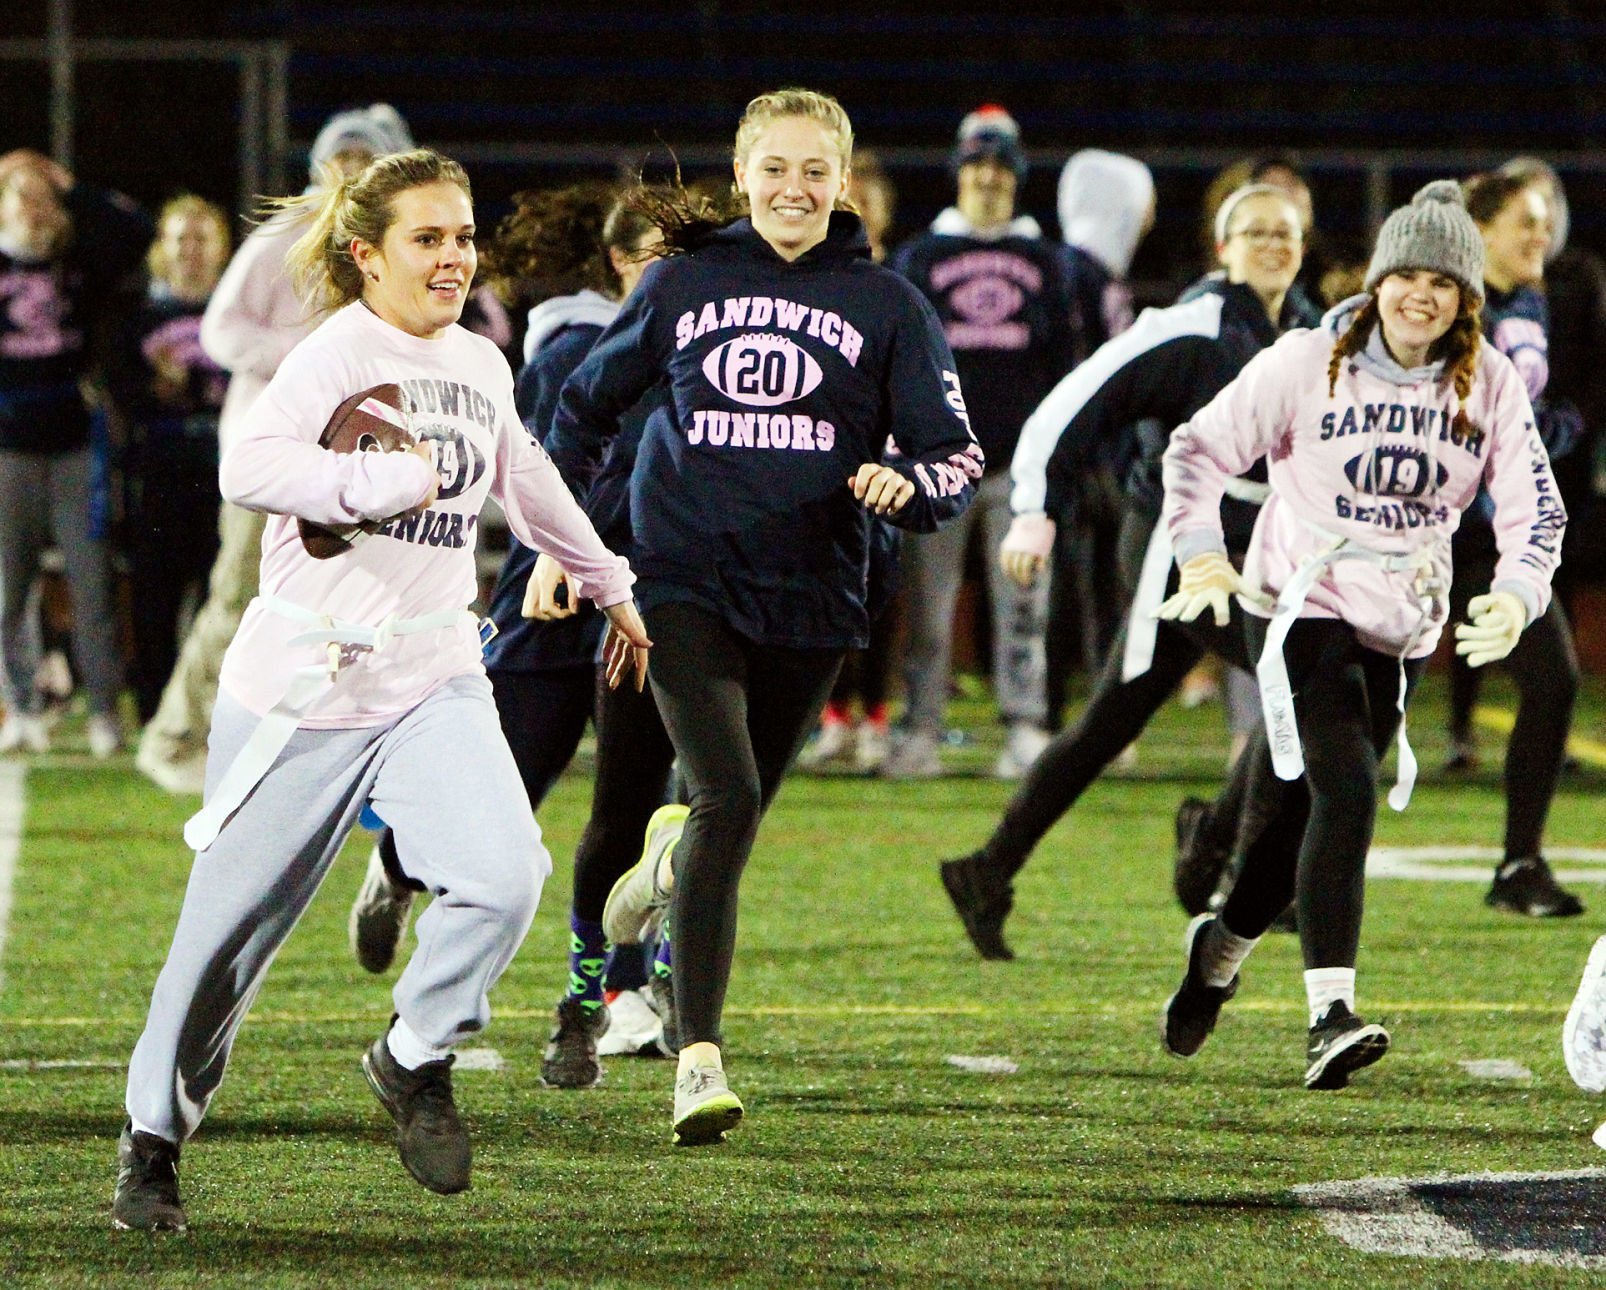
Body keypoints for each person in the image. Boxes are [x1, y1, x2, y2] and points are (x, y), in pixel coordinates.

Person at [110, 147, 650, 1231]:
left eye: (463, 236)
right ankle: (152, 1143)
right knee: (224, 942)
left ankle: (410, 1055)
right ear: (366, 255)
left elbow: (526, 478)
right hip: (302, 688)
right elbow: (245, 466)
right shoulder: (332, 352)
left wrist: (608, 582)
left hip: (432, 674)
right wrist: (373, 480)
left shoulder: (480, 363)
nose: (455, 256)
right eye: (428, 238)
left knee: (506, 876)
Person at [547, 88, 980, 1144]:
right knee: (729, 799)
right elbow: (580, 409)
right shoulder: (682, 282)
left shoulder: (889, 304)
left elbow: (956, 455)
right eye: (773, 169)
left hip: (817, 597)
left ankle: (667, 866)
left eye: (813, 171)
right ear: (740, 178)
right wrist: (570, 551)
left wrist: (906, 484)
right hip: (679, 582)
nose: (793, 189)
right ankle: (696, 1059)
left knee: (723, 819)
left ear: (843, 182)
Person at [1155, 181, 1563, 1090]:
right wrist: (1200, 556)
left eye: (1443, 281)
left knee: (1303, 814)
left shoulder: (1487, 379)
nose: (1422, 294)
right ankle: (1329, 1013)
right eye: (1406, 274)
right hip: (1302, 604)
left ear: (1466, 297)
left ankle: (1216, 956)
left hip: (1401, 626)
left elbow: (1539, 508)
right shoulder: (1307, 360)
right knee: (1345, 793)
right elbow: (1195, 449)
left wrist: (1519, 593)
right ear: (1377, 281)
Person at [347, 182, 680, 1084]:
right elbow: (545, 466)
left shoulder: (700, 344)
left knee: (628, 816)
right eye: (659, 253)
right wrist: (562, 554)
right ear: (617, 263)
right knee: (502, 802)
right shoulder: (574, 343)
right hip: (550, 606)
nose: (679, 272)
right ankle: (397, 864)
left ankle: (600, 1002)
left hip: (637, 611)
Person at [939, 183, 1317, 961]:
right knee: (1302, 681)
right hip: (1178, 551)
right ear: (1223, 247)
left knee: (1116, 716)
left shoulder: (1309, 331)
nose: (1272, 244)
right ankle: (1228, 859)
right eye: (1254, 232)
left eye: (1286, 233)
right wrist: (1037, 510)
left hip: (1256, 552)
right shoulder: (1193, 325)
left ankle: (991, 868)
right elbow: (1072, 403)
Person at [135, 104, 414, 794]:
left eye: (364, 156)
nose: (350, 168)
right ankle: (174, 736)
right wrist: (303, 358)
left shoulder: (393, 250)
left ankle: (359, 744)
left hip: (355, 466)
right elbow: (222, 331)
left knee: (370, 606)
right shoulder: (289, 234)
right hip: (276, 453)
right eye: (340, 156)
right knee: (241, 596)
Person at [883, 105, 1076, 780]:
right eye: (978, 165)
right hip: (936, 464)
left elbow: (1065, 363)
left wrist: (1054, 460)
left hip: (1018, 469)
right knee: (929, 615)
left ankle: (1024, 725)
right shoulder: (921, 258)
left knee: (1024, 609)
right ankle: (922, 728)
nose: (989, 179)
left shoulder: (1045, 262)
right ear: (958, 172)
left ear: (1017, 177)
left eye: (1000, 167)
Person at [1439, 171, 1582, 918]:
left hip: (1500, 539)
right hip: (1432, 532)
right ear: (1482, 228)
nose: (1541, 234)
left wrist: (1551, 427)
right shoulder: (1449, 301)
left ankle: (1519, 863)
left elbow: (1526, 411)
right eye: (1526, 220)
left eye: (1548, 220)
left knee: (1554, 681)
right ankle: (1231, 844)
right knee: (1349, 700)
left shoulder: (1530, 300)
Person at [0, 149, 151, 757]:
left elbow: (136, 229)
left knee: (91, 586)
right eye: (22, 196)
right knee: (9, 589)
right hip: (7, 447)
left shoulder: (80, 263)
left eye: (44, 198)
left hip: (72, 449)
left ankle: (104, 710)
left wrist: (72, 184)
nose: (35, 210)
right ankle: (23, 705)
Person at [106, 196, 232, 723]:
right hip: (158, 476)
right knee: (154, 600)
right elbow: (124, 390)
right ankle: (155, 711)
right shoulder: (139, 319)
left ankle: (213, 714)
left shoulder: (237, 314)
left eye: (202, 238)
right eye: (180, 238)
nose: (191, 250)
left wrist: (188, 383)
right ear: (163, 248)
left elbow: (243, 385)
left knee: (221, 600)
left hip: (224, 477)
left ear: (221, 249)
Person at [800, 149, 901, 772]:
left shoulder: (900, 284)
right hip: (824, 460)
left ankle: (878, 721)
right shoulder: (815, 284)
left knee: (883, 597)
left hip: (886, 462)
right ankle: (833, 719)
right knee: (825, 594)